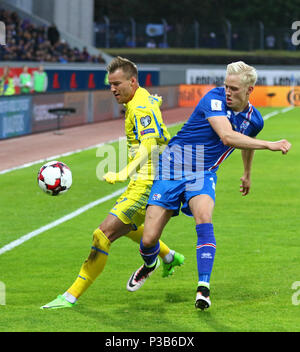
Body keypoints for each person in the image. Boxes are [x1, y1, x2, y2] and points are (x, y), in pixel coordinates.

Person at [126, 61, 292, 310]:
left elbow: (245, 142)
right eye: (226, 86)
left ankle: (203, 287)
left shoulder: (254, 120)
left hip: (203, 173)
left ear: (250, 90)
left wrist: (247, 173)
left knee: (204, 218)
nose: (228, 92)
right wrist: (271, 144)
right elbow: (227, 136)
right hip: (172, 166)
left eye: (234, 89)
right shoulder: (213, 99)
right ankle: (151, 264)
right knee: (149, 239)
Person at [41, 56, 184, 309]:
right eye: (110, 84)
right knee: (128, 227)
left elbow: (149, 145)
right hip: (149, 179)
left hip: (149, 182)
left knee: (102, 234)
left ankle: (70, 296)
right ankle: (169, 256)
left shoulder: (139, 107)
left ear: (132, 81)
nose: (112, 89)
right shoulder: (140, 99)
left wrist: (123, 171)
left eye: (117, 83)